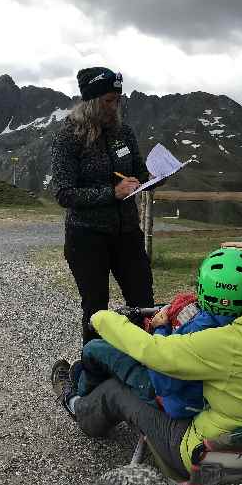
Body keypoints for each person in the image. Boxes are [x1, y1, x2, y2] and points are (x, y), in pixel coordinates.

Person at [51, 230, 242, 476]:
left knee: (114, 389)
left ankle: (75, 403)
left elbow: (154, 352)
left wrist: (103, 318)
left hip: (205, 450)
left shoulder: (228, 341)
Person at [53, 247, 242, 420]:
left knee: (93, 349)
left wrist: (161, 326)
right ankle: (82, 378)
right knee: (97, 360)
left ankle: (79, 404)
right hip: (207, 396)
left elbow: (163, 368)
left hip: (173, 398)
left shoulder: (199, 329)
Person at [50, 66, 154, 348]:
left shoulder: (124, 133)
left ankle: (144, 368)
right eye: (108, 101)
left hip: (127, 233)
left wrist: (153, 179)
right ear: (92, 101)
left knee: (144, 303)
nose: (114, 106)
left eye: (117, 100)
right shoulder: (69, 136)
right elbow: (64, 193)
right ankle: (93, 376)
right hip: (87, 238)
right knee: (96, 310)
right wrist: (112, 193)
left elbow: (139, 173)